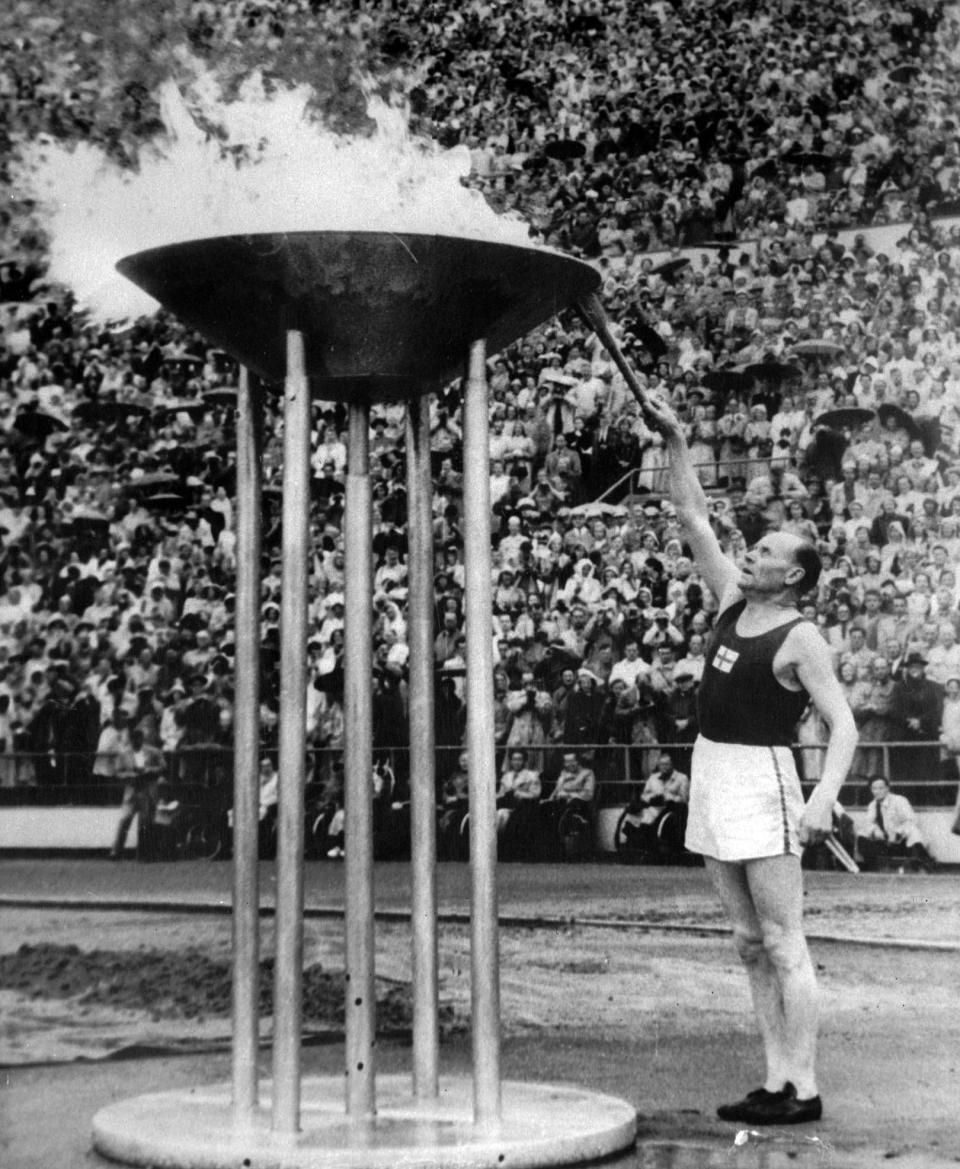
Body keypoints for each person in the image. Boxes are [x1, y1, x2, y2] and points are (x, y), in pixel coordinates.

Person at [641, 391, 857, 1126]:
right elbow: (694, 516)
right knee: (745, 939)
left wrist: (823, 793)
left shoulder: (802, 637)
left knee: (783, 938)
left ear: (794, 575)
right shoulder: (733, 597)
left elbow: (845, 725)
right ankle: (773, 1077)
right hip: (712, 767)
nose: (753, 553)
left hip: (766, 776)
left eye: (767, 551)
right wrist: (676, 441)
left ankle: (806, 1083)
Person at [110, 726, 166, 860]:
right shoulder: (124, 754)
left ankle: (143, 853)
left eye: (138, 739)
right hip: (132, 789)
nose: (136, 741)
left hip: (147, 789)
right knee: (125, 820)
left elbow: (163, 766)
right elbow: (117, 772)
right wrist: (130, 774)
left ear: (142, 739)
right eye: (134, 739)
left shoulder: (153, 752)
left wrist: (149, 770)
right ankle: (116, 851)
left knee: (145, 823)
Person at [857, 778, 936, 872]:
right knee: (861, 835)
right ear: (871, 790)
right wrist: (875, 830)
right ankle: (874, 867)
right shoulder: (872, 805)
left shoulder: (899, 800)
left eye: (881, 788)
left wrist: (898, 832)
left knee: (914, 832)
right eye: (874, 788)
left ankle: (923, 863)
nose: (878, 791)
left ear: (887, 788)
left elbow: (912, 820)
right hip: (886, 842)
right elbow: (868, 822)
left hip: (902, 842)